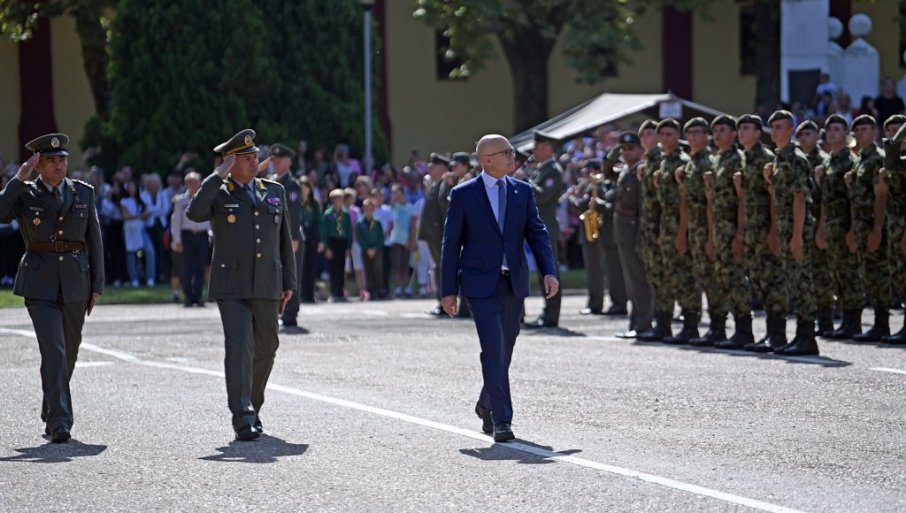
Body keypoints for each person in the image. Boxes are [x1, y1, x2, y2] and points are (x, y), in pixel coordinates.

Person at [440, 134, 558, 442]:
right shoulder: (464, 194)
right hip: (480, 283)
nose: (513, 157)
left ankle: (487, 402)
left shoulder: (522, 191)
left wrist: (549, 271)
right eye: (506, 152)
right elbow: (451, 244)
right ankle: (502, 420)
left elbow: (537, 232)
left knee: (506, 347)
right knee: (493, 347)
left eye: (511, 152)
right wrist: (448, 290)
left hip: (512, 282)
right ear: (487, 160)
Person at [186, 129, 296, 441]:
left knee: (267, 347)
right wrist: (217, 175)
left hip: (267, 282)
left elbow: (284, 240)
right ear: (230, 162)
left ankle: (253, 405)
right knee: (240, 347)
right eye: (246, 157)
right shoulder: (218, 192)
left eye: (254, 155)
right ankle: (243, 415)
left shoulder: (273, 191)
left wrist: (289, 281)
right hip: (231, 284)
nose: (254, 161)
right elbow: (194, 213)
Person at [0, 133, 103, 443]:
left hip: (75, 281)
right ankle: (60, 422)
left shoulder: (83, 192)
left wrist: (96, 285)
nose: (59, 165)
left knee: (69, 352)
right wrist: (19, 178)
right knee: (54, 350)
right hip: (39, 283)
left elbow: (94, 239)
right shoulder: (25, 193)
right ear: (39, 165)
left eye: (62, 160)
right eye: (51, 161)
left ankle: (51, 406)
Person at [764, 110, 819, 355]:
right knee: (793, 282)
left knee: (802, 282)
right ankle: (800, 336)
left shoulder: (796, 159)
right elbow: (779, 198)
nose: (774, 132)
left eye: (779, 127)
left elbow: (799, 199)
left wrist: (797, 236)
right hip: (785, 227)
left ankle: (807, 337)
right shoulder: (779, 159)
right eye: (773, 127)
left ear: (790, 130)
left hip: (798, 229)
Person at [735, 115, 788, 353]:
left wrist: (774, 232)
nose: (742, 132)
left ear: (758, 133)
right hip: (752, 231)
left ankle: (778, 334)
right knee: (759, 281)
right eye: (740, 129)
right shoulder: (745, 158)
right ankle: (769, 332)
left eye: (747, 128)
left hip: (766, 229)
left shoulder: (765, 158)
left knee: (772, 281)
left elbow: (774, 198)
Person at [707, 116, 755, 350]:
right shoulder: (718, 160)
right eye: (715, 130)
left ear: (733, 134)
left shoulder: (737, 160)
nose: (717, 135)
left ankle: (744, 330)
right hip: (719, 230)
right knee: (724, 279)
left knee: (736, 280)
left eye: (722, 130)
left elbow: (742, 200)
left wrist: (739, 234)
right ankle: (727, 328)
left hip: (732, 229)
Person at [846, 115, 892, 341]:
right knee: (868, 275)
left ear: (874, 132)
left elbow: (881, 197)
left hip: (873, 223)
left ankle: (883, 324)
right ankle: (877, 324)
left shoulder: (877, 158)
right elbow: (856, 198)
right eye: (857, 130)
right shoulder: (859, 159)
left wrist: (877, 229)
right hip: (861, 224)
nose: (860, 133)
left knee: (879, 274)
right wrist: (854, 229)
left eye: (865, 129)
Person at [818, 114, 863, 339]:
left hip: (846, 226)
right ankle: (845, 320)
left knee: (850, 274)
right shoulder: (827, 162)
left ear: (846, 134)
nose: (832, 133)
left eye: (837, 129)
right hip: (831, 226)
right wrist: (821, 228)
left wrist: (853, 230)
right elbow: (824, 199)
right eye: (829, 129)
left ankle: (854, 322)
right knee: (837, 274)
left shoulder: (850, 161)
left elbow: (854, 199)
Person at [654, 119, 699, 344]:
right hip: (667, 226)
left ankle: (691, 326)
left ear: (677, 136)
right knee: (667, 277)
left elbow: (685, 201)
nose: (665, 138)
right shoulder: (664, 162)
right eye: (662, 134)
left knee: (684, 277)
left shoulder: (682, 162)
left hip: (681, 227)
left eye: (669, 134)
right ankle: (664, 324)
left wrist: (682, 233)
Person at [610, 132, 653, 338]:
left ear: (640, 150)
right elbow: (606, 168)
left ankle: (643, 323)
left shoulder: (640, 171)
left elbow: (643, 206)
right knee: (630, 281)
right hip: (623, 230)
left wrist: (641, 235)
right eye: (623, 149)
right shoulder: (626, 170)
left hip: (634, 229)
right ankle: (635, 323)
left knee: (638, 280)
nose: (626, 152)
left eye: (631, 148)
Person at [795, 120, 834, 336]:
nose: (803, 138)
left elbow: (828, 198)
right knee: (806, 274)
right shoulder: (798, 160)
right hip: (803, 224)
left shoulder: (823, 162)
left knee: (821, 274)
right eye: (800, 134)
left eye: (808, 134)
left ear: (817, 136)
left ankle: (826, 320)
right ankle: (813, 316)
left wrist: (821, 228)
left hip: (819, 222)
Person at [524, 130, 563, 328]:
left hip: (546, 228)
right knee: (542, 273)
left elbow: (543, 196)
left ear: (548, 148)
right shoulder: (542, 170)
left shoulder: (553, 170)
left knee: (549, 272)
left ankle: (551, 315)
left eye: (537, 147)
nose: (534, 151)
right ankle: (547, 312)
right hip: (537, 227)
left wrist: (525, 181)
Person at [264, 143, 304, 329]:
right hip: (275, 236)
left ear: (288, 162)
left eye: (279, 161)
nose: (275, 164)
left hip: (289, 236)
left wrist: (293, 237)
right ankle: (278, 311)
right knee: (276, 275)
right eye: (273, 161)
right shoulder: (270, 182)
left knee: (291, 275)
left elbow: (294, 214)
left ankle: (290, 313)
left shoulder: (292, 185)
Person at [881, 116, 906, 344]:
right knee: (899, 275)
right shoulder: (895, 160)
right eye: (890, 130)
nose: (894, 134)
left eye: (899, 130)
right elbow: (891, 163)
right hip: (894, 225)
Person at [170, 171, 210, 307]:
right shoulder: (180, 200)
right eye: (191, 182)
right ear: (186, 184)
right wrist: (177, 240)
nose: (194, 185)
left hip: (202, 235)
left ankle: (198, 296)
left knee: (200, 267)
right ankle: (188, 296)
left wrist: (211, 234)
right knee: (186, 267)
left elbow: (209, 218)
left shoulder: (205, 198)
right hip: (187, 235)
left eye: (196, 182)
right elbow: (176, 221)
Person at [419, 153, 450, 316]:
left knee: (443, 269)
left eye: (433, 166)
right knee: (438, 268)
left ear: (442, 168)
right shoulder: (435, 185)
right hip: (432, 235)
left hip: (439, 235)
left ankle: (445, 304)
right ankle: (441, 302)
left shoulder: (444, 186)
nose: (429, 169)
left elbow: (444, 212)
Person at [120, 179, 156, 288]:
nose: (131, 189)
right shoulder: (124, 201)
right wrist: (139, 216)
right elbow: (125, 216)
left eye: (133, 186)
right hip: (129, 230)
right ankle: (134, 279)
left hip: (141, 230)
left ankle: (150, 278)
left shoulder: (141, 200)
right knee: (131, 253)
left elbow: (147, 212)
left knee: (149, 251)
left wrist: (137, 216)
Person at [320, 188, 352, 302]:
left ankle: (340, 292)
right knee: (333, 268)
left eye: (341, 198)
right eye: (336, 198)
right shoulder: (327, 214)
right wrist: (327, 247)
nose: (339, 201)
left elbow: (349, 231)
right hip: (332, 242)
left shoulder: (346, 214)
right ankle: (334, 292)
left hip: (342, 241)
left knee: (341, 267)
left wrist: (348, 247)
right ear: (332, 200)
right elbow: (324, 231)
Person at [298, 177, 321, 304]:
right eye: (301, 187)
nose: (304, 190)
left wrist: (320, 240)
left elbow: (319, 222)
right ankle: (301, 294)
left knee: (312, 265)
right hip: (300, 233)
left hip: (312, 234)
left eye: (306, 187)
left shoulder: (314, 204)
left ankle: (310, 294)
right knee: (301, 265)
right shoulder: (295, 202)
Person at [357, 198, 384, 300]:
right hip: (366, 251)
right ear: (363, 209)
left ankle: (379, 290)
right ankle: (370, 291)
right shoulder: (360, 223)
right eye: (366, 208)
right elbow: (359, 238)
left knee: (377, 270)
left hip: (376, 250)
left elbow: (381, 237)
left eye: (370, 208)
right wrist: (367, 248)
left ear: (373, 209)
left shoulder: (377, 222)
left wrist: (375, 248)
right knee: (368, 270)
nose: (368, 210)